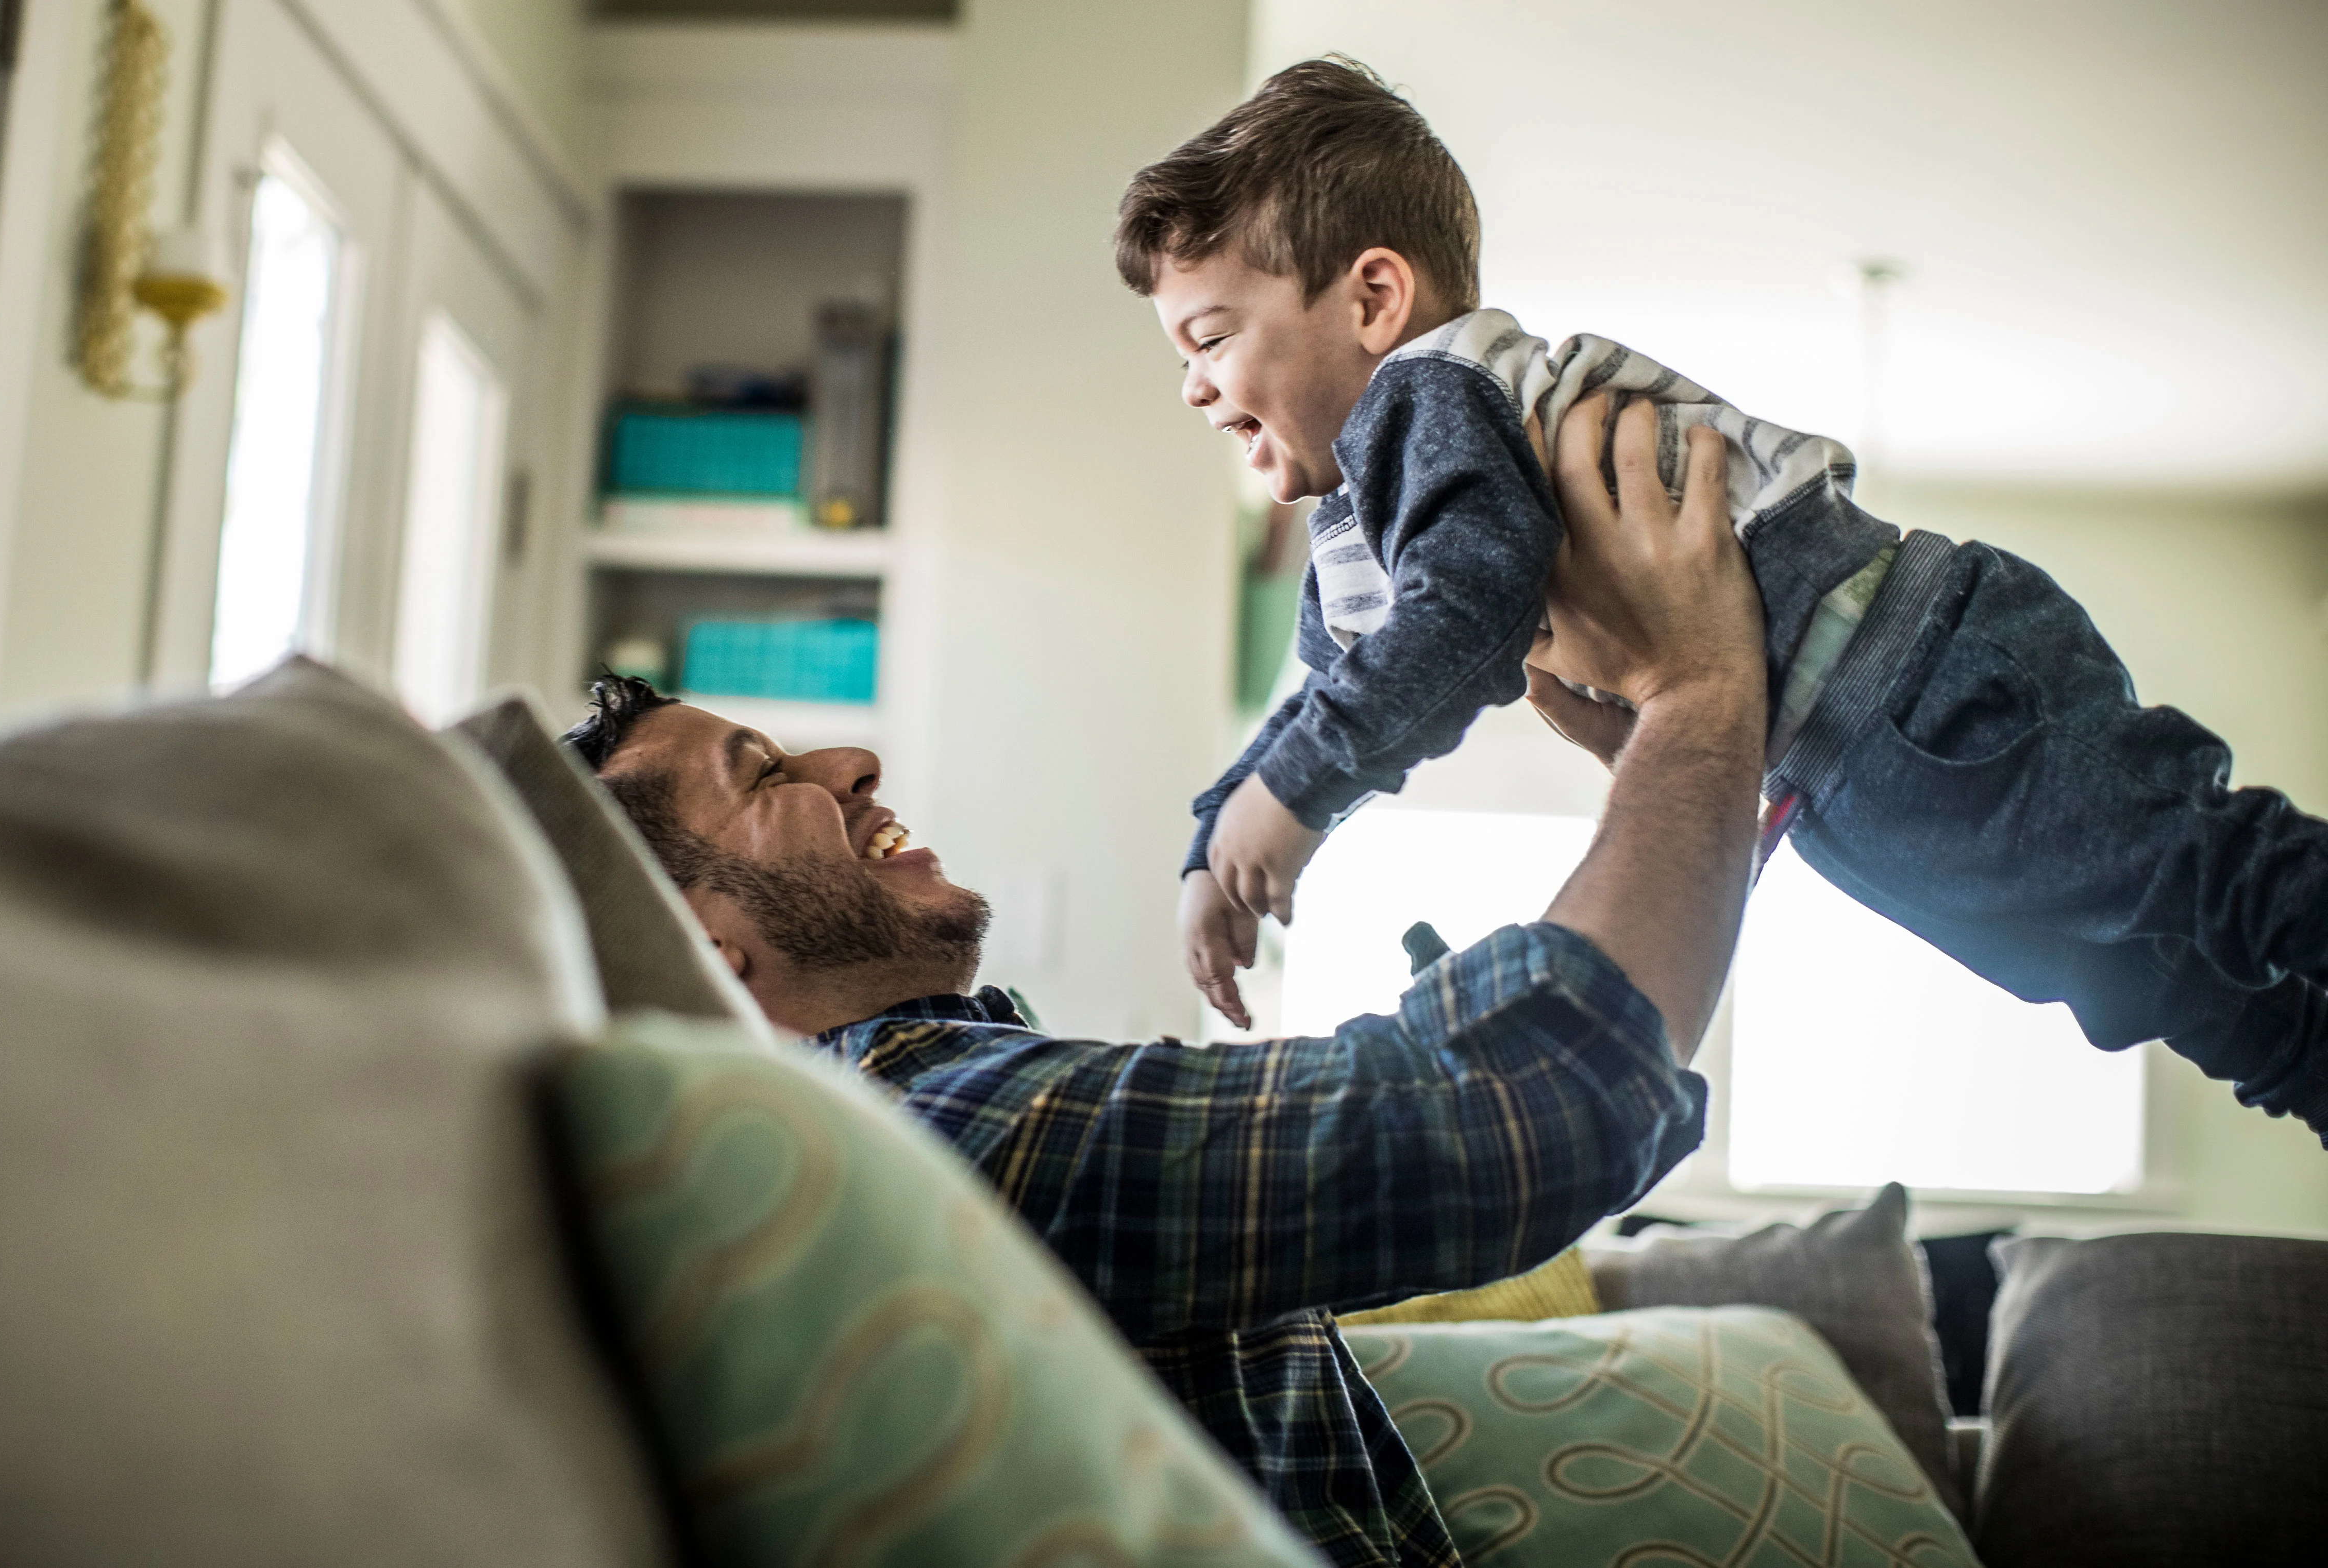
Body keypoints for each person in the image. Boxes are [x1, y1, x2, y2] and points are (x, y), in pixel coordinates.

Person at [564, 404, 1762, 1568]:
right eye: (766, 775)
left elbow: (1547, 1095)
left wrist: (1688, 783)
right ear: (701, 955)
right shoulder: (939, 1128)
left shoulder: (937, 1114)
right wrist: (1701, 694)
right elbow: (1524, 1108)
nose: (853, 763)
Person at [1122, 55, 2328, 1140]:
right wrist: (1218, 835)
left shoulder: (1431, 398)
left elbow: (1465, 619)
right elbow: (1338, 688)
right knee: (2142, 978)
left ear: (1375, 300)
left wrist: (1290, 798)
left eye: (1213, 338)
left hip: (1920, 680)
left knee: (2211, 875)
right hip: (1842, 765)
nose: (1192, 386)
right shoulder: (1360, 503)